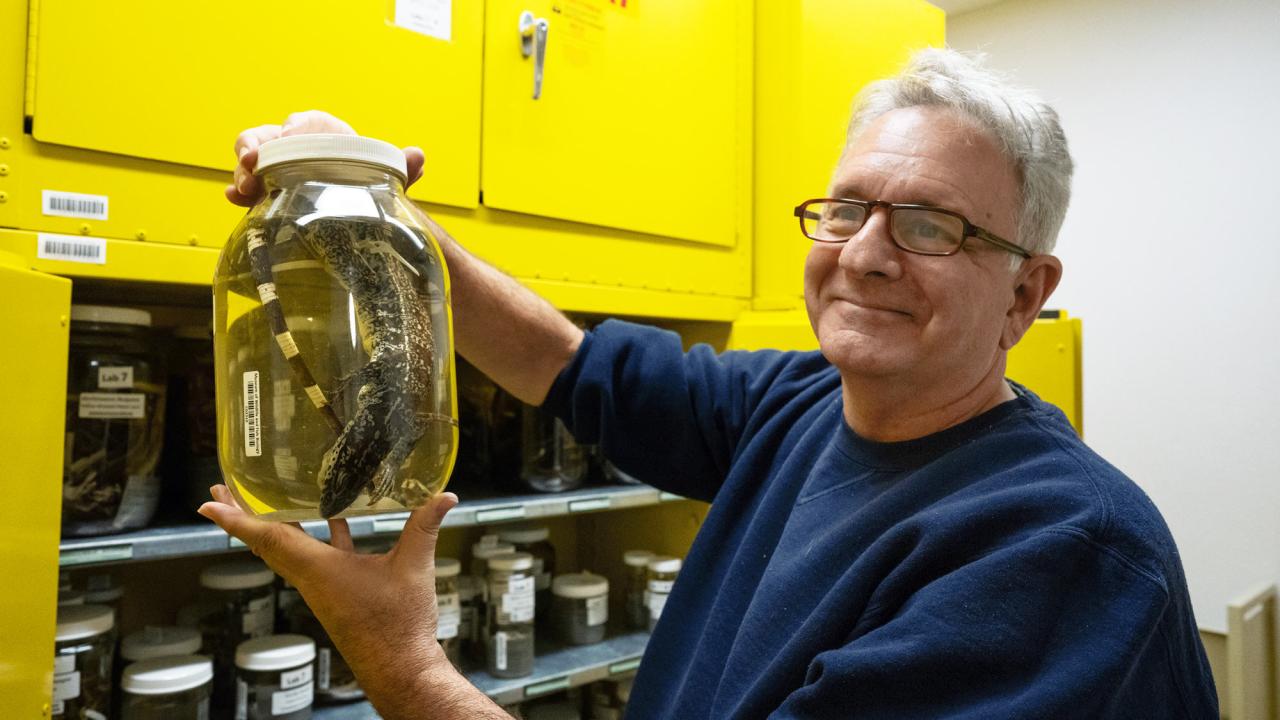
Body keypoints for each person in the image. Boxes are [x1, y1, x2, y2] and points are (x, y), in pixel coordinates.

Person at [200, 49, 1219, 718]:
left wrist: (403, 662)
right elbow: (565, 363)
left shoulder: (1056, 554)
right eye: (845, 209)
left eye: (927, 225)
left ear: (1023, 294)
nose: (864, 254)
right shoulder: (802, 405)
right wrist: (362, 201)